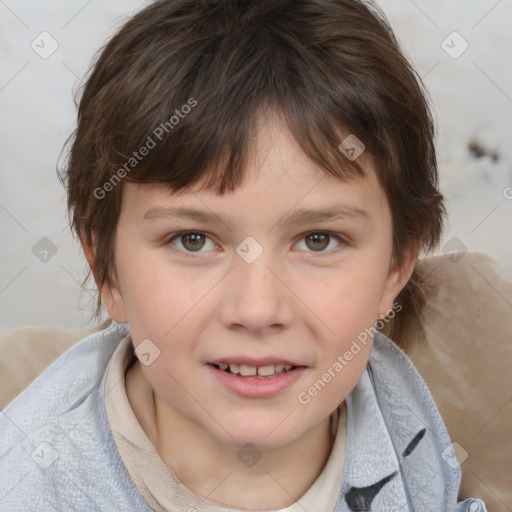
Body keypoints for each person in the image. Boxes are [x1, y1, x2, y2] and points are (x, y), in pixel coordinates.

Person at [0, 1, 488, 510]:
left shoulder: (410, 412)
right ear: (108, 271)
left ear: (396, 267)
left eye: (318, 239)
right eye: (193, 240)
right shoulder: (32, 487)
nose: (257, 310)